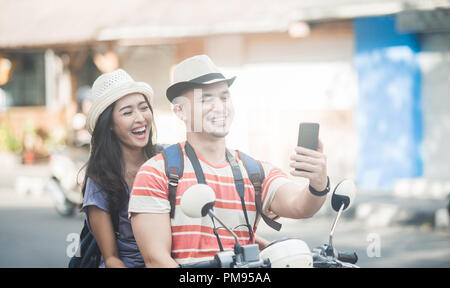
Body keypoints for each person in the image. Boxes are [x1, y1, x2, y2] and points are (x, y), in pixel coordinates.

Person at [129, 55, 330, 267]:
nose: (219, 107)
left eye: (224, 97)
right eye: (206, 99)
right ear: (180, 110)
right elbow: (156, 260)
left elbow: (300, 206)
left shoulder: (254, 171)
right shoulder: (156, 173)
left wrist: (317, 184)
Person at [81, 69, 160, 268]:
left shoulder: (167, 159)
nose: (140, 118)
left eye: (144, 108)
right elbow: (111, 259)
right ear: (109, 124)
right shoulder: (99, 180)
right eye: (127, 112)